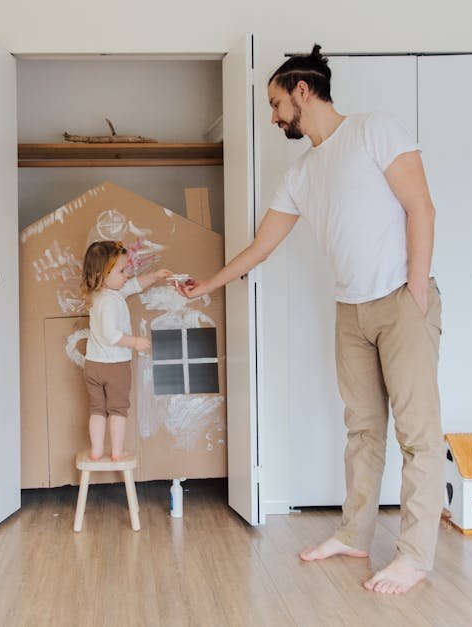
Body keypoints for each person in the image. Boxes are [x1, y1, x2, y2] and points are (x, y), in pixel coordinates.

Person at [178, 44, 442, 594]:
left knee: (417, 436)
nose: (273, 117)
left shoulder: (374, 130)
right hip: (350, 309)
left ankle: (415, 556)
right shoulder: (301, 174)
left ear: (303, 90)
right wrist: (208, 283)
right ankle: (354, 535)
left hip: (400, 299)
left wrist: (416, 289)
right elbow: (261, 247)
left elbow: (421, 205)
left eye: (276, 103)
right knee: (363, 430)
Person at [80, 240, 171, 461]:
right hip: (114, 366)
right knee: (118, 410)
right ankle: (117, 451)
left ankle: (97, 450)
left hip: (93, 365)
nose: (126, 274)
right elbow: (111, 335)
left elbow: (135, 285)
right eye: (121, 270)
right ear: (103, 274)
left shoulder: (100, 295)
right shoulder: (111, 302)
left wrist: (156, 275)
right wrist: (135, 342)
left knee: (97, 410)